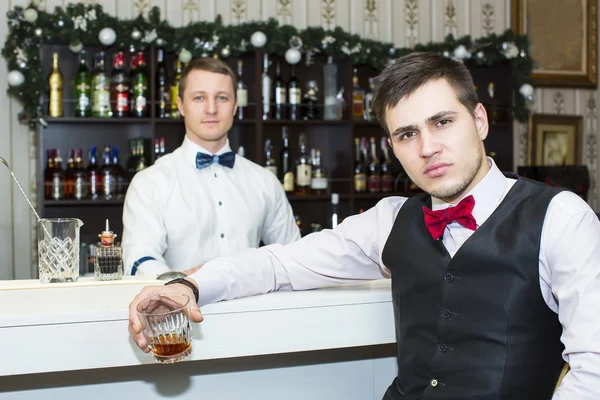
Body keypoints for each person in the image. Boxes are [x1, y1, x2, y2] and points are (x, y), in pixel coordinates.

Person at [128, 52, 600, 399]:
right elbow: (278, 262)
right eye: (407, 134)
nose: (428, 147)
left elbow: (592, 371)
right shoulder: (390, 220)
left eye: (442, 122)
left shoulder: (561, 217)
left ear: (478, 120)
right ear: (393, 146)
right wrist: (186, 286)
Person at [122, 57, 300, 276]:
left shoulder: (264, 181)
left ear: (235, 106)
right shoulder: (150, 183)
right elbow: (139, 259)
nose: (211, 109)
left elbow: (294, 257)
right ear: (180, 106)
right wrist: (183, 285)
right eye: (199, 98)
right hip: (179, 308)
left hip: (253, 309)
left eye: (222, 98)